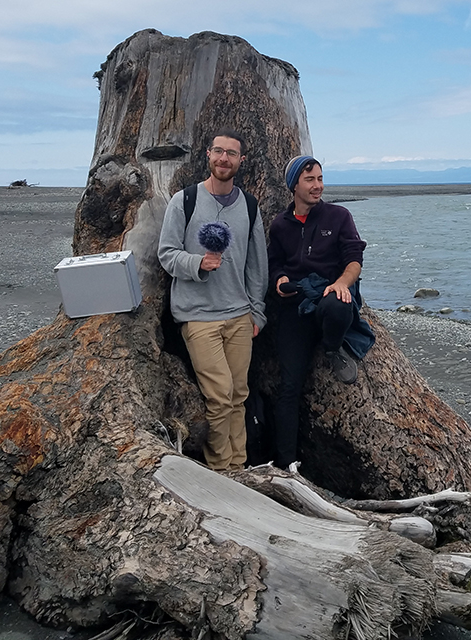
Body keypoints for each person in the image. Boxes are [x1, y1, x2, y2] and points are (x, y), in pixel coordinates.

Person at [157, 129, 268, 471]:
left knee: (238, 397)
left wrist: (257, 313)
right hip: (198, 316)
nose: (224, 158)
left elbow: (256, 264)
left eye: (231, 154)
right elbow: (166, 253)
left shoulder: (249, 205)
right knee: (219, 397)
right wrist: (197, 263)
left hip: (239, 316)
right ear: (208, 155)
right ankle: (223, 472)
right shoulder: (184, 201)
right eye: (218, 152)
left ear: (240, 160)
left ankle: (240, 465)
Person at [267, 155, 375, 469]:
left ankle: (332, 348)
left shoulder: (339, 216)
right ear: (294, 186)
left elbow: (355, 258)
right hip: (296, 306)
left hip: (329, 298)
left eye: (320, 179)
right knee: (289, 386)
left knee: (339, 302)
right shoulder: (280, 224)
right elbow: (275, 264)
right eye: (310, 180)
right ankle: (287, 465)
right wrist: (280, 280)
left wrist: (342, 282)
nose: (318, 186)